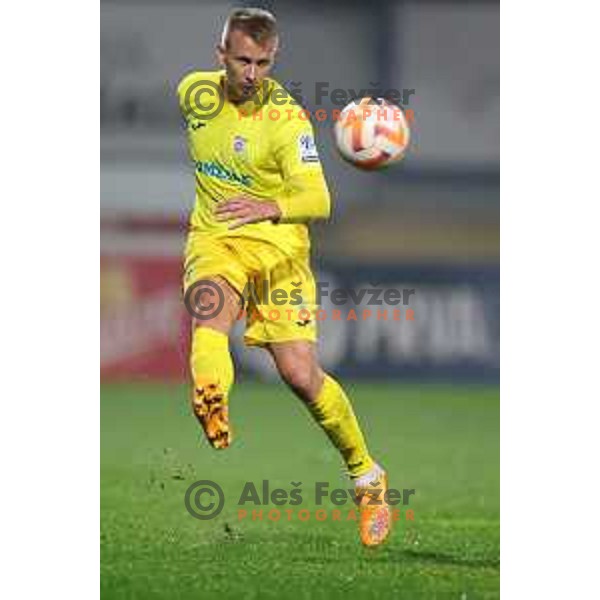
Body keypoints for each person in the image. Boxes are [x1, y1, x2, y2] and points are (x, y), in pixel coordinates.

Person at [177, 7, 391, 546]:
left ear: (274, 60)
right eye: (242, 60)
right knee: (209, 311)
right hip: (217, 240)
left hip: (279, 252)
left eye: (263, 63)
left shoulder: (287, 119)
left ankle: (367, 477)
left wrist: (267, 205)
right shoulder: (193, 95)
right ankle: (210, 391)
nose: (251, 74)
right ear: (220, 55)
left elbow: (319, 199)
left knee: (300, 375)